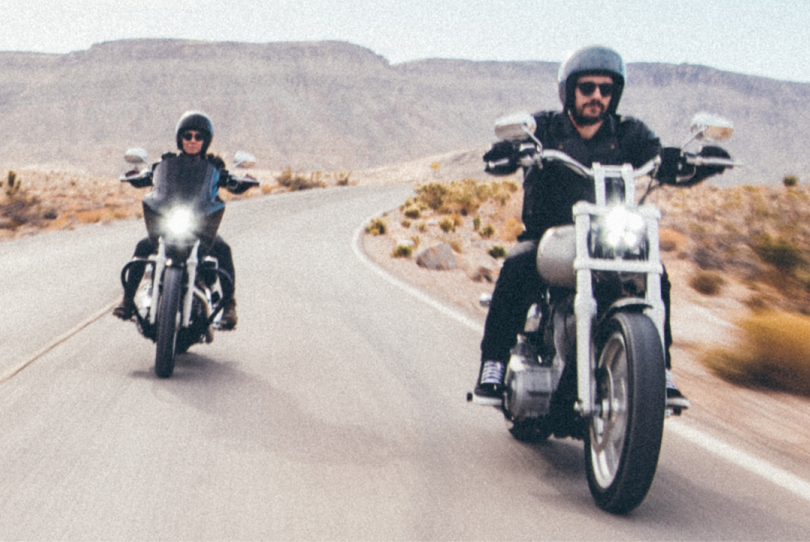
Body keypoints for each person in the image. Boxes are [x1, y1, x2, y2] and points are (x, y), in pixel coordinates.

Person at [472, 45, 690, 412]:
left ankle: (661, 371)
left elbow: (656, 154)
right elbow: (505, 151)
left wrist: (681, 162)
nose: (597, 97)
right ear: (569, 90)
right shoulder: (543, 129)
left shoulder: (630, 133)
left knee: (656, 275)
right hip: (550, 236)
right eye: (587, 88)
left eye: (606, 89)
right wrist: (507, 153)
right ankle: (492, 363)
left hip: (608, 238)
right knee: (518, 263)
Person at [113, 111, 239, 330]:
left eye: (198, 136)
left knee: (223, 249)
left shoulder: (214, 165)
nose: (192, 141)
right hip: (171, 223)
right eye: (187, 136)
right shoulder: (168, 161)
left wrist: (237, 181)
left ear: (206, 140)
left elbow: (230, 183)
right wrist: (139, 176)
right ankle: (127, 301)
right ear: (180, 138)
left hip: (199, 228)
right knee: (142, 247)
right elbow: (153, 176)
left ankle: (229, 306)